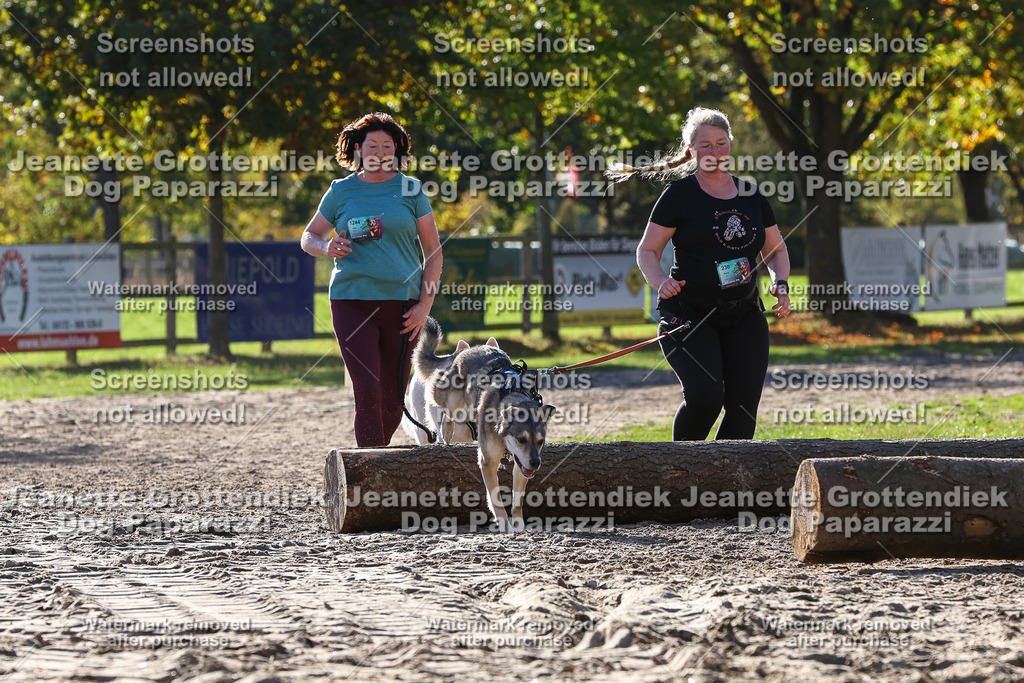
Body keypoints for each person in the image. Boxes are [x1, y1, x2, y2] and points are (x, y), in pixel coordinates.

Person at [614, 107, 791, 440]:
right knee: (706, 399)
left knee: (742, 409)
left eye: (721, 143)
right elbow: (647, 251)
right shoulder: (679, 196)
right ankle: (679, 472)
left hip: (745, 315)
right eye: (706, 145)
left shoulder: (751, 194)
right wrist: (660, 281)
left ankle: (725, 484)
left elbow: (776, 250)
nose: (715, 152)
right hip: (689, 315)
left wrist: (780, 284)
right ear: (692, 150)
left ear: (730, 146)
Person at [301, 112, 442, 447]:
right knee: (367, 391)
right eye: (372, 145)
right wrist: (327, 245)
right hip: (351, 300)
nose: (380, 151)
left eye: (388, 145)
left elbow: (433, 251)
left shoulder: (411, 190)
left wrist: (425, 305)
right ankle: (370, 473)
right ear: (359, 150)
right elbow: (309, 237)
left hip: (405, 307)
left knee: (393, 402)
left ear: (397, 151)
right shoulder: (340, 191)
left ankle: (377, 459)